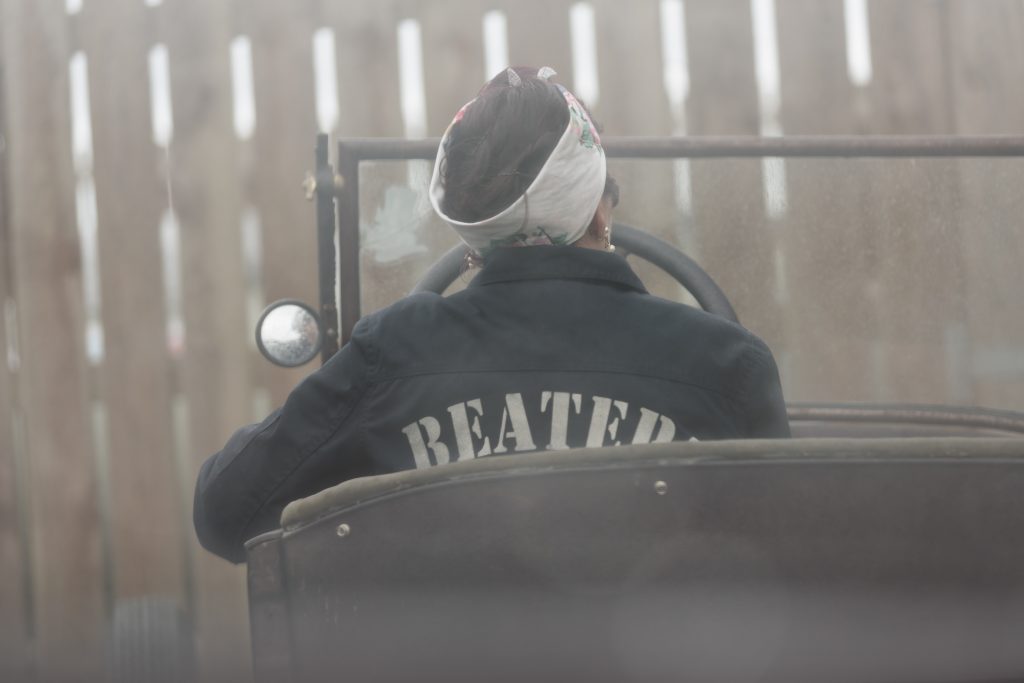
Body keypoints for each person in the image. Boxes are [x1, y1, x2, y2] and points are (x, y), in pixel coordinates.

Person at [194, 66, 789, 563]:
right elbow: (787, 559)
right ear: (601, 214)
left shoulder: (396, 352)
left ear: (472, 236)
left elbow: (224, 514)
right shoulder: (725, 364)